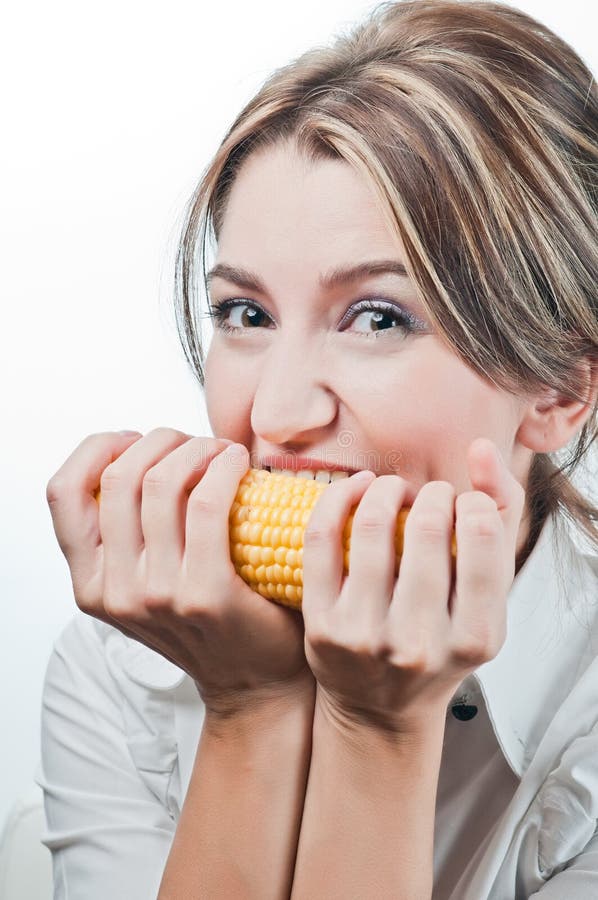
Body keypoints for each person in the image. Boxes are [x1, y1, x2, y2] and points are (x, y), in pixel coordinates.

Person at [38, 0, 598, 897]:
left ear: (561, 390)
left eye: (378, 317)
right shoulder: (119, 665)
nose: (278, 412)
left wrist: (380, 729)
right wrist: (249, 707)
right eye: (245, 314)